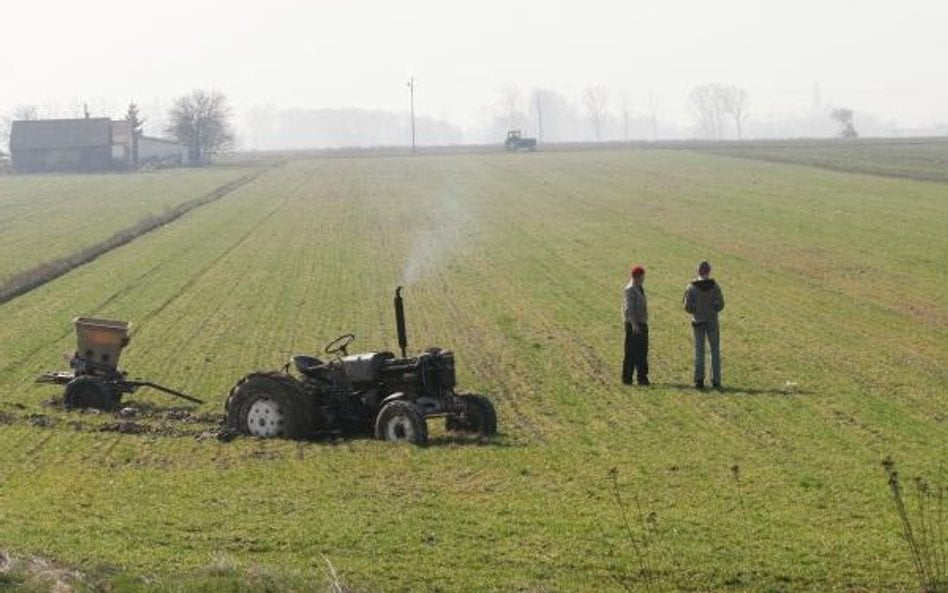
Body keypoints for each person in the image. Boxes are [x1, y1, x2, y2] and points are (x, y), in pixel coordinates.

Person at [683, 260, 725, 390]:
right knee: (715, 351)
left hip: (698, 322)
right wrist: (713, 309)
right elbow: (721, 304)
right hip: (712, 321)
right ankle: (716, 380)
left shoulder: (691, 287)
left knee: (699, 351)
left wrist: (696, 311)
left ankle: (699, 380)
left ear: (698, 271)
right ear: (709, 271)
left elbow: (687, 307)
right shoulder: (715, 286)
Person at [622, 265, 649, 386]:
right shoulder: (630, 290)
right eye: (642, 277)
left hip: (641, 323)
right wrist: (634, 324)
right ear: (637, 277)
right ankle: (627, 378)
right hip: (634, 325)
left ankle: (642, 377)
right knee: (631, 352)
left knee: (642, 352)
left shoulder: (639, 287)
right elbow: (629, 309)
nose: (644, 279)